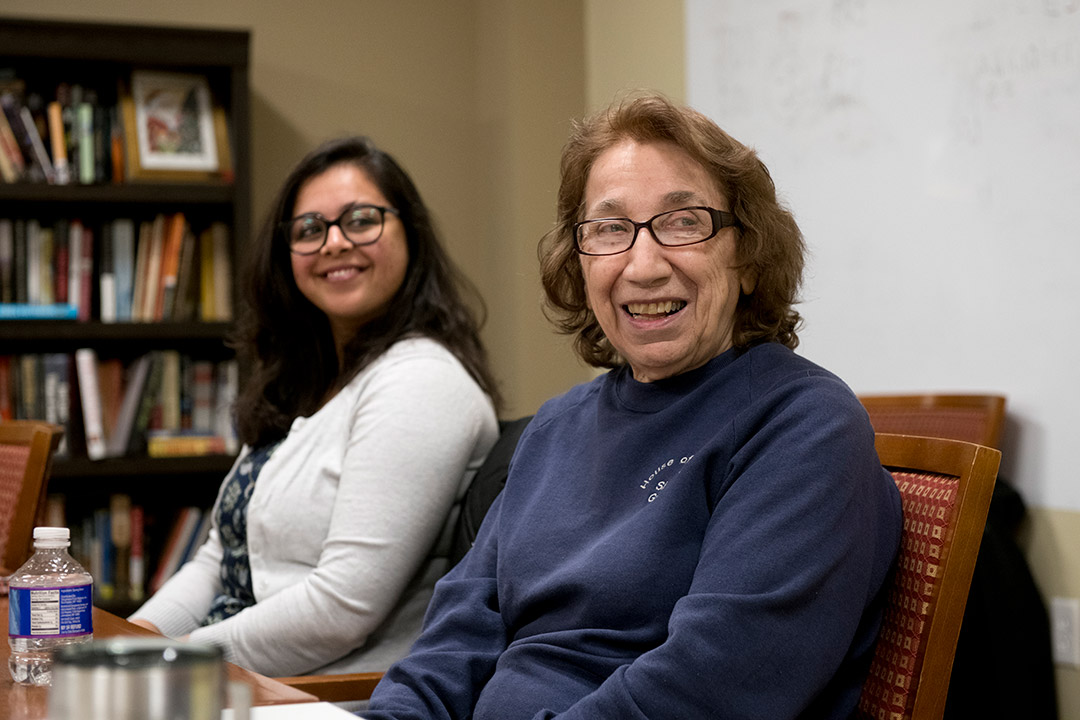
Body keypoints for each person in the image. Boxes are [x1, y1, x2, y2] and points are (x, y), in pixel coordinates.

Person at [364, 94, 903, 719]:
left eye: (684, 222)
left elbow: (714, 687)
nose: (642, 266)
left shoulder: (801, 424)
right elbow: (454, 642)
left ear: (749, 257)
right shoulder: (556, 427)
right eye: (610, 229)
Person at [128, 136, 501, 678]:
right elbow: (219, 559)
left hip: (321, 695)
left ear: (411, 234)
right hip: (231, 678)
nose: (333, 243)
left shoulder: (421, 381)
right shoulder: (305, 386)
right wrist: (122, 643)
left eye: (361, 220)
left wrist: (165, 662)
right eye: (309, 229)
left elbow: (340, 610)